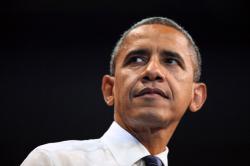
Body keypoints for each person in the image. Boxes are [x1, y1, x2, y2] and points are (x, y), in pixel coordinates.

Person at [21, 17, 207, 166]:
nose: (152, 70)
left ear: (196, 96)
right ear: (110, 89)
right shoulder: (53, 161)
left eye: (171, 61)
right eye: (136, 59)